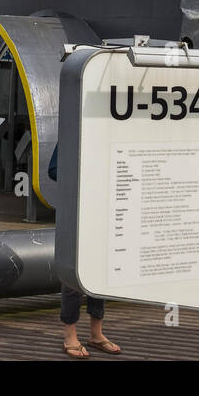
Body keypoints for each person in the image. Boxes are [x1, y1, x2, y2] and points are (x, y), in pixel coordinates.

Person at [49, 143, 120, 358]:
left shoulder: (107, 133)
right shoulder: (72, 134)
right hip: (77, 213)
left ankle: (96, 334)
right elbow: (54, 170)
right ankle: (70, 336)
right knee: (74, 273)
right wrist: (87, 173)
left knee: (100, 272)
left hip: (104, 211)